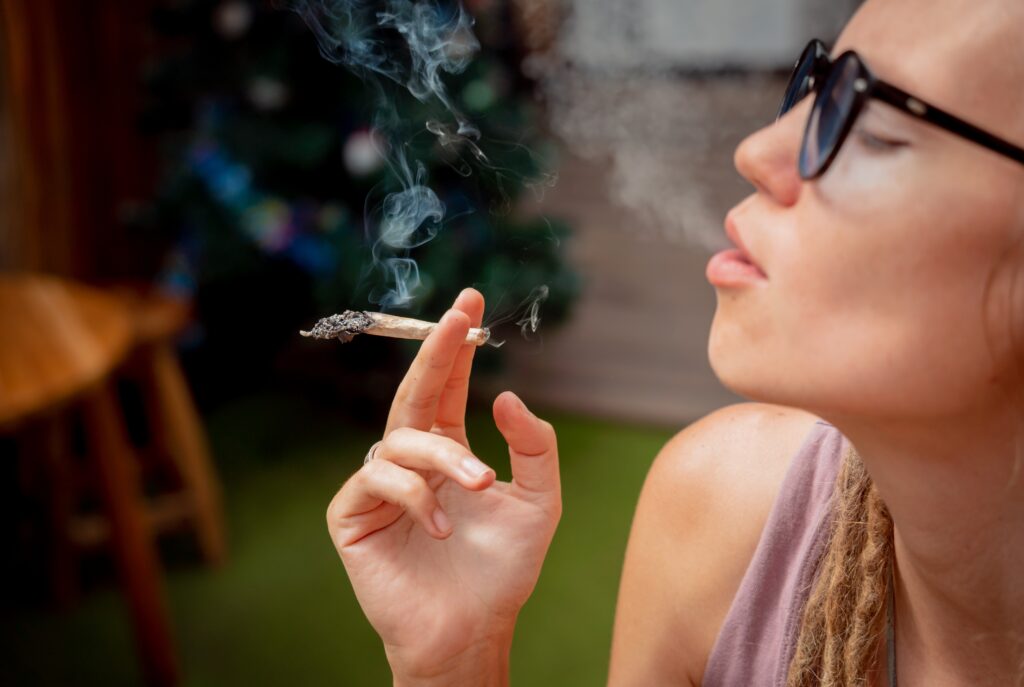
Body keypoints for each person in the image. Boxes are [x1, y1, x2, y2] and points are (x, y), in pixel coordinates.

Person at [324, 0, 1024, 684]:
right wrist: (452, 662)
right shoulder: (717, 514)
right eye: (819, 87)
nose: (756, 150)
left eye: (873, 128)